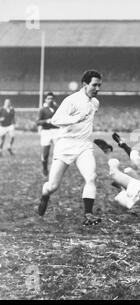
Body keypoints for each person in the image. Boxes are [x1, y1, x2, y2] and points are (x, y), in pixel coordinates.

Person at [37, 70, 103, 226]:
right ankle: (45, 195)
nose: (98, 88)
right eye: (94, 85)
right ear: (85, 84)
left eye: (99, 85)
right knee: (52, 186)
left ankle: (88, 214)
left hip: (84, 145)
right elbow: (56, 119)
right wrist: (75, 118)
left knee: (91, 177)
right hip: (66, 145)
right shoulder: (71, 100)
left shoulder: (95, 103)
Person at [36, 92, 59, 176]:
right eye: (48, 98)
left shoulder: (57, 108)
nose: (50, 100)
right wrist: (46, 121)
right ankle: (45, 168)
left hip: (57, 131)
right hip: (46, 132)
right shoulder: (42, 109)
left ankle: (55, 170)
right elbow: (37, 122)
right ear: (45, 99)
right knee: (45, 154)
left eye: (52, 98)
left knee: (58, 152)